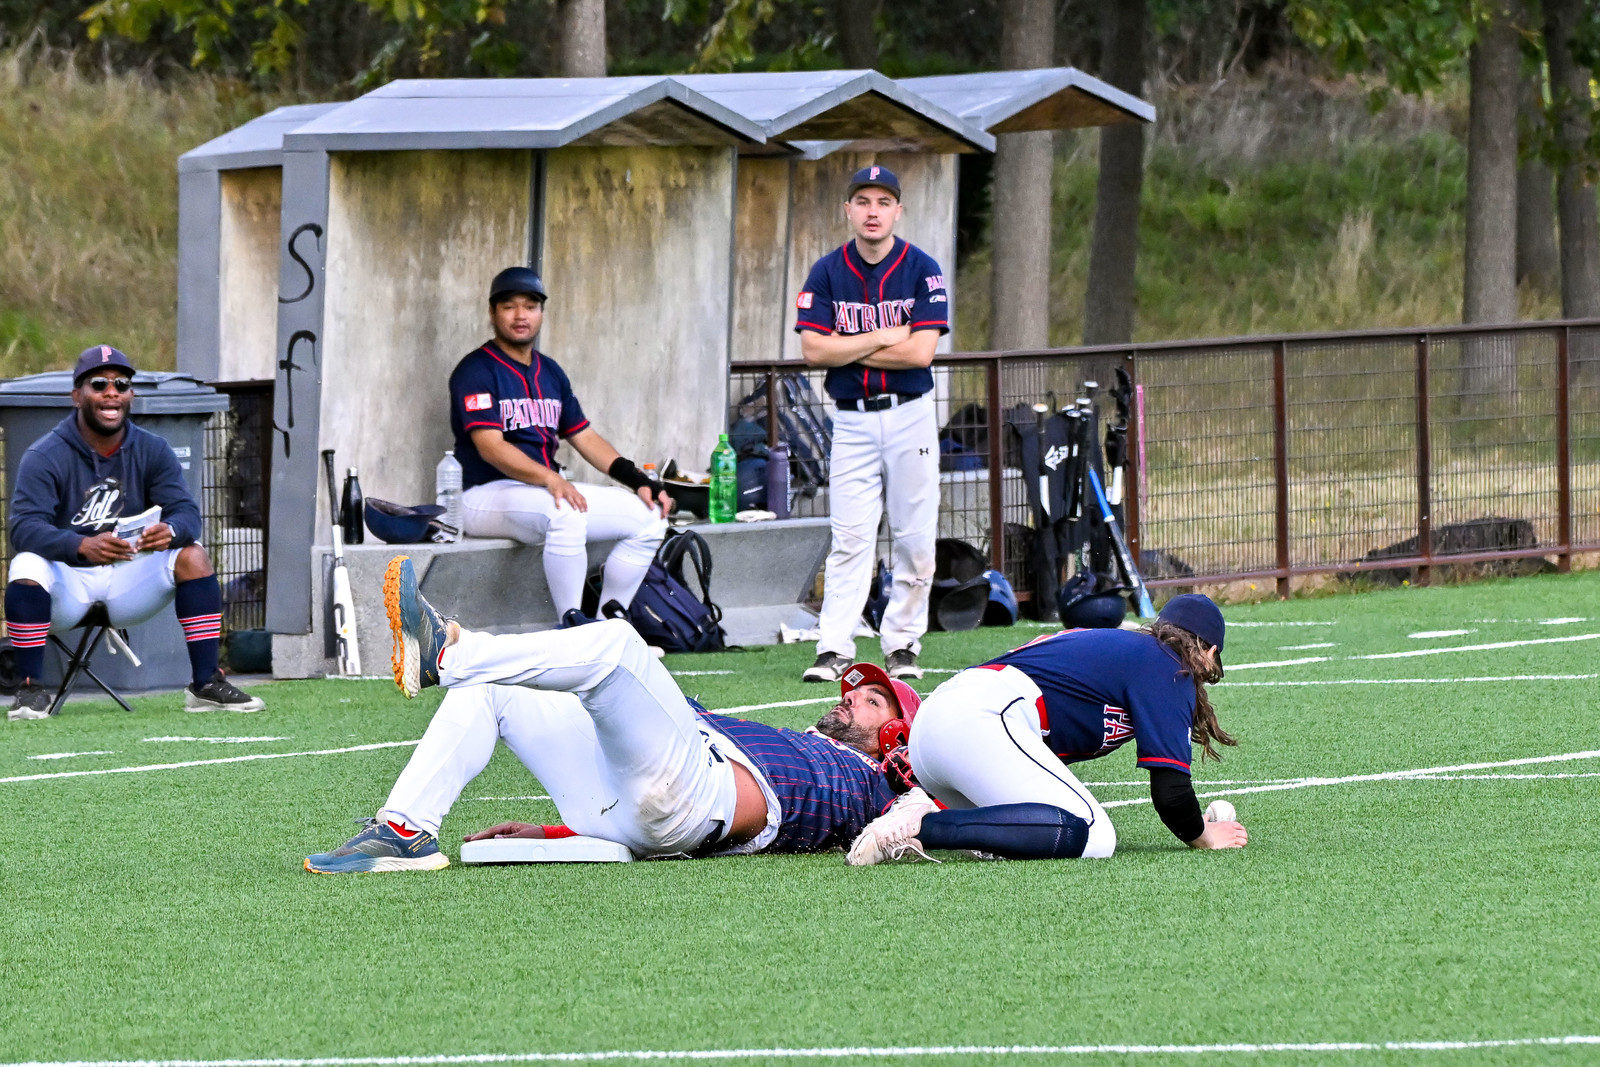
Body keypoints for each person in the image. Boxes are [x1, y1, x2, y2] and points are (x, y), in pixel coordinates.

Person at [303, 556, 917, 872]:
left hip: (695, 802)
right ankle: (404, 831)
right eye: (854, 689)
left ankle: (449, 650)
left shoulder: (875, 787)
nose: (850, 696)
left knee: (619, 646)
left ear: (894, 735)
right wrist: (554, 832)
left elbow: (932, 808)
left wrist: (914, 772)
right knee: (491, 685)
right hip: (635, 806)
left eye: (872, 700)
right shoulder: (808, 743)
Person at [845, 594, 1250, 864]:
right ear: (1209, 650)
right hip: (983, 715)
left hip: (946, 725)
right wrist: (1201, 834)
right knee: (1093, 835)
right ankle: (922, 824)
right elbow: (1171, 793)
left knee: (1023, 839)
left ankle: (926, 809)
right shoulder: (1168, 664)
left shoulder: (1130, 651)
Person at [4, 345, 263, 720]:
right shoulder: (45, 454)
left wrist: (170, 531)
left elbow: (187, 513)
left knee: (192, 554)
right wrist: (80, 545)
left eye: (121, 384)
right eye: (99, 384)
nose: (112, 392)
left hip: (129, 582)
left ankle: (205, 684)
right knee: (26, 564)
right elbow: (24, 529)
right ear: (77, 395)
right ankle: (29, 690)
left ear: (131, 395)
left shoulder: (152, 449)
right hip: (68, 585)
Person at [449, 266, 671, 628]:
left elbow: (584, 437)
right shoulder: (476, 370)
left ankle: (610, 628)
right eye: (509, 306)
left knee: (649, 517)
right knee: (565, 512)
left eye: (530, 305)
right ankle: (571, 627)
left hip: (537, 491)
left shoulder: (550, 372)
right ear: (492, 313)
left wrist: (637, 479)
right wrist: (549, 478)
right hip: (483, 494)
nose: (521, 315)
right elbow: (490, 447)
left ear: (541, 313)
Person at [794, 166, 948, 684]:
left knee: (914, 537)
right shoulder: (827, 271)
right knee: (850, 537)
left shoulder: (921, 267)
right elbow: (814, 349)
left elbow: (921, 351)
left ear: (898, 210)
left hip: (909, 416)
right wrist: (883, 335)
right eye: (863, 200)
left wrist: (850, 347)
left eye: (884, 201)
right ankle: (834, 647)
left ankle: (902, 643)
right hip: (853, 421)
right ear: (848, 210)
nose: (873, 210)